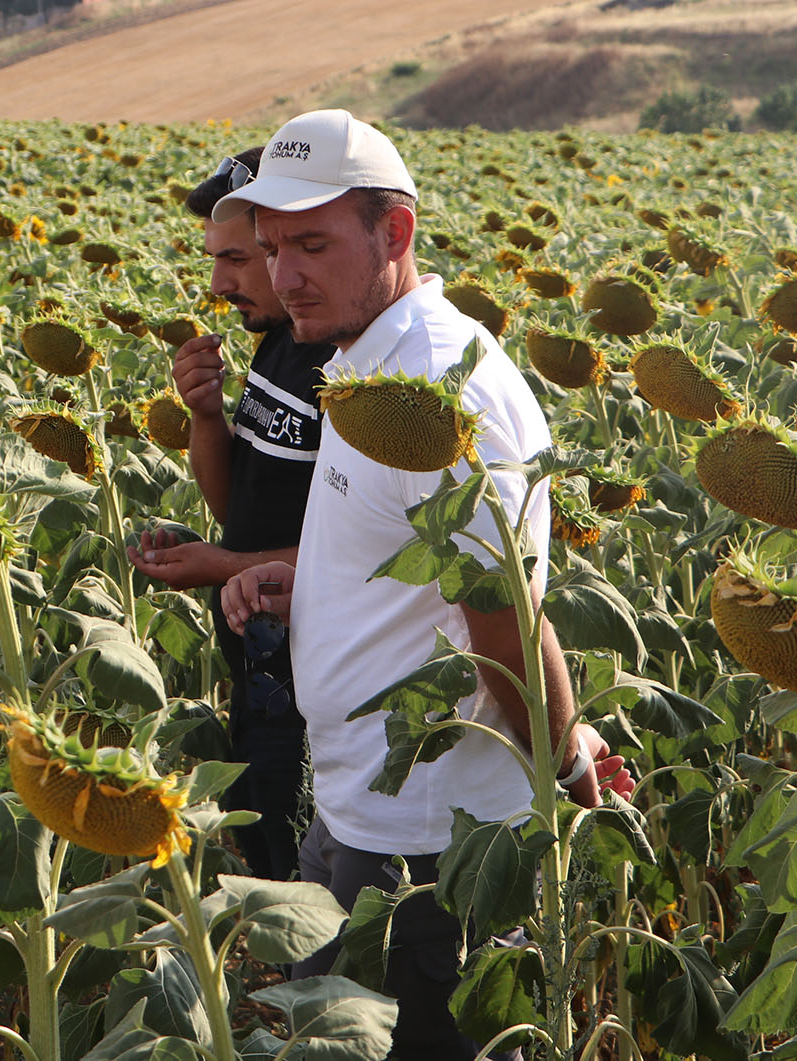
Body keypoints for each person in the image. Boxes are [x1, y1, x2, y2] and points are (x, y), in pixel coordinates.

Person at [213, 110, 633, 1058]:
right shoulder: (365, 360)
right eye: (274, 246)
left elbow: (509, 633)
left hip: (430, 846)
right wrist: (306, 584)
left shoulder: (443, 394)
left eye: (313, 243)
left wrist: (569, 769)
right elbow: (416, 568)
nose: (284, 275)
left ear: (393, 234)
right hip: (355, 805)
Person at [126, 146, 332, 880]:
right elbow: (238, 504)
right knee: (272, 857)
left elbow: (369, 556)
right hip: (259, 669)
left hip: (317, 682)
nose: (221, 284)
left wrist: (222, 565)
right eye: (221, 258)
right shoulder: (280, 343)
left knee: (306, 884)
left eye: (243, 258)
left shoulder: (344, 369)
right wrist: (206, 416)